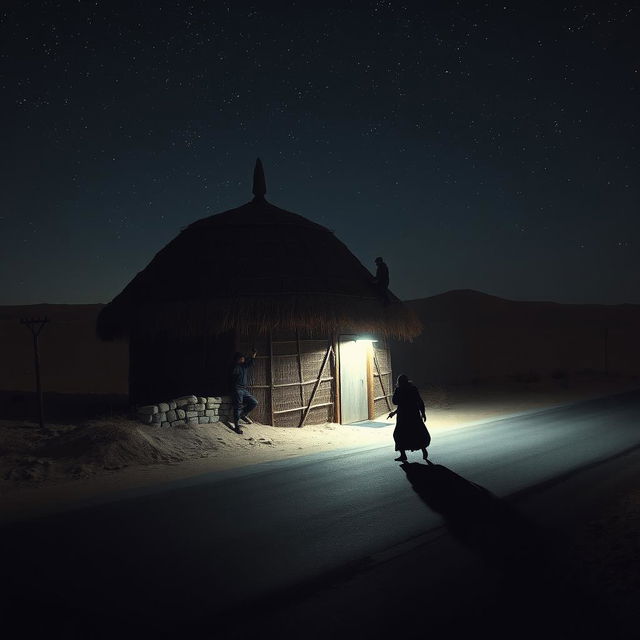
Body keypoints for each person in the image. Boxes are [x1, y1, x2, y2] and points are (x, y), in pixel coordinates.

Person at [388, 374, 430, 462]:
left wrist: (396, 390)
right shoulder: (413, 389)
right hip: (414, 415)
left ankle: (403, 455)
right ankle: (423, 449)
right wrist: (423, 413)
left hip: (403, 417)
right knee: (417, 433)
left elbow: (395, 402)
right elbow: (419, 402)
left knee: (399, 435)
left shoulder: (399, 390)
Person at [230, 350, 258, 434]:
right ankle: (236, 426)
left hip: (243, 390)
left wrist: (253, 356)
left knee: (254, 402)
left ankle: (242, 415)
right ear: (238, 359)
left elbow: (250, 363)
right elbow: (232, 378)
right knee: (237, 406)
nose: (244, 359)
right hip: (237, 389)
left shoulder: (243, 366)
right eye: (242, 358)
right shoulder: (234, 367)